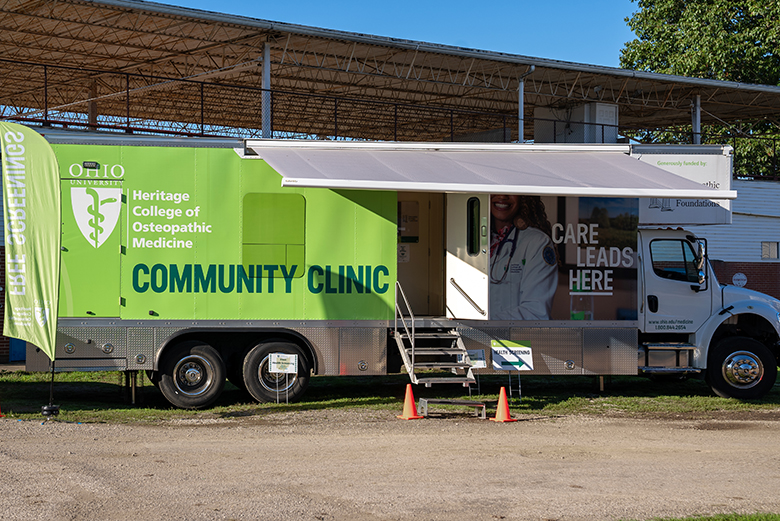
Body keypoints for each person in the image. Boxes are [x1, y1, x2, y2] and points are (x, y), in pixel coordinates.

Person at [489, 194, 558, 320]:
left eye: (510, 189)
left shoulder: (537, 242)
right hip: (474, 336)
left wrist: (480, 325)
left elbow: (536, 312)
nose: (502, 196)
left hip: (515, 338)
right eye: (495, 188)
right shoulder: (472, 242)